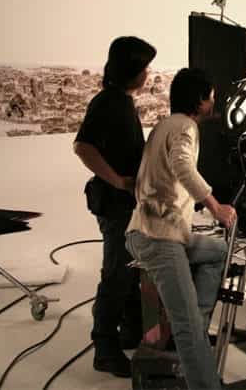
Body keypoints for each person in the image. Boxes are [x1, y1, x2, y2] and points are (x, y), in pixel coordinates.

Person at [125, 67, 236, 390]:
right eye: (211, 97)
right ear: (199, 100)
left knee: (218, 251)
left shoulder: (164, 125)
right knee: (186, 328)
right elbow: (182, 165)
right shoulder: (186, 126)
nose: (214, 102)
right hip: (159, 238)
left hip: (150, 231)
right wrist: (216, 207)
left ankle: (196, 320)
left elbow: (157, 178)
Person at [74, 36, 156, 377]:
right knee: (117, 275)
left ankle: (131, 331)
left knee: (130, 270)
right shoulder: (108, 102)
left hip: (127, 205)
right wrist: (118, 180)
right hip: (115, 205)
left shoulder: (121, 101)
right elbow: (83, 147)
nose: (148, 73)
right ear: (131, 69)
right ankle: (104, 349)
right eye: (144, 67)